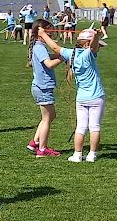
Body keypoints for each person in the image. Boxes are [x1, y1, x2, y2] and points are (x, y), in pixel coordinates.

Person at [38, 25, 106, 162]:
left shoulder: (71, 53)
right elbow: (93, 47)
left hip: (81, 98)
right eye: (98, 45)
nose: (99, 47)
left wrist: (43, 34)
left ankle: (77, 154)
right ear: (87, 43)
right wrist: (96, 36)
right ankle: (92, 154)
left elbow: (55, 48)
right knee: (94, 127)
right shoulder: (89, 54)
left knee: (80, 127)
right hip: (96, 96)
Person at [26, 20, 65, 157]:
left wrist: (58, 55)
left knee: (50, 116)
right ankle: (42, 149)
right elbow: (49, 64)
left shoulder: (39, 46)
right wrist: (63, 58)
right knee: (47, 118)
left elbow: (48, 57)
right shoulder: (40, 47)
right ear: (41, 32)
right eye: (50, 32)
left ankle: (35, 143)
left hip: (42, 87)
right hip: (43, 87)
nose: (52, 34)